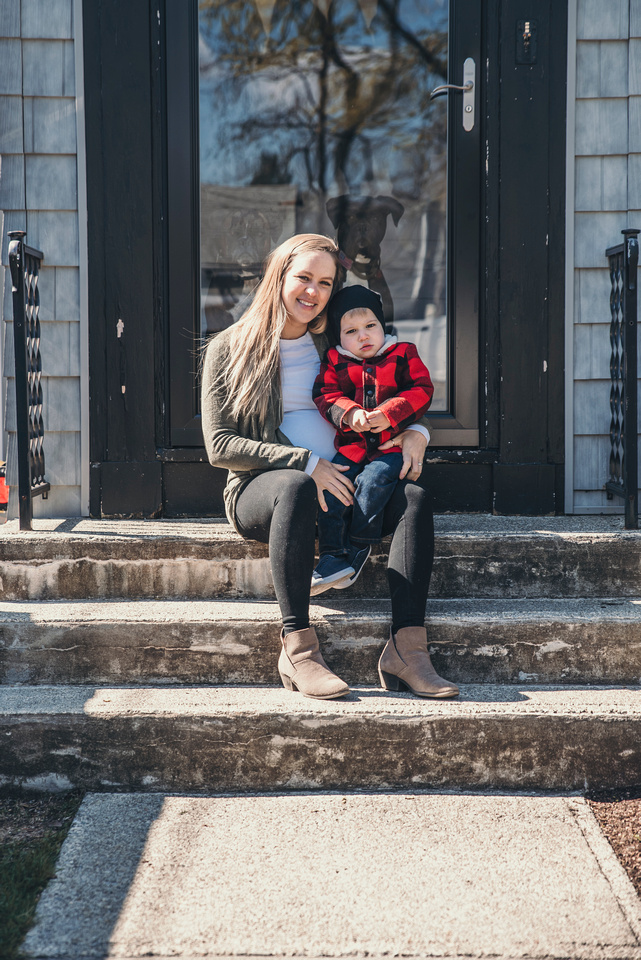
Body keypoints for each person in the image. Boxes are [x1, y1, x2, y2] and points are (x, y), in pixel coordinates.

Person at [201, 233, 459, 701]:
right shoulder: (230, 346)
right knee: (297, 487)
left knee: (413, 499)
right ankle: (298, 648)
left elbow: (396, 389)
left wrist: (417, 432)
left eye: (325, 282)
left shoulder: (335, 340)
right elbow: (220, 446)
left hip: (349, 482)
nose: (313, 291)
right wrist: (307, 463)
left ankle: (407, 650)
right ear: (278, 276)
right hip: (267, 491)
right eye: (304, 277)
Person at [310, 285, 434, 596]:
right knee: (332, 490)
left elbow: (421, 389)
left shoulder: (402, 353)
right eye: (351, 331)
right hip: (351, 448)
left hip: (389, 448)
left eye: (370, 326)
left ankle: (357, 546)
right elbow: (325, 395)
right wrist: (349, 413)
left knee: (372, 482)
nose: (363, 336)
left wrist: (391, 413)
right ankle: (331, 556)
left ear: (382, 326)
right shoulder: (335, 360)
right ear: (339, 336)